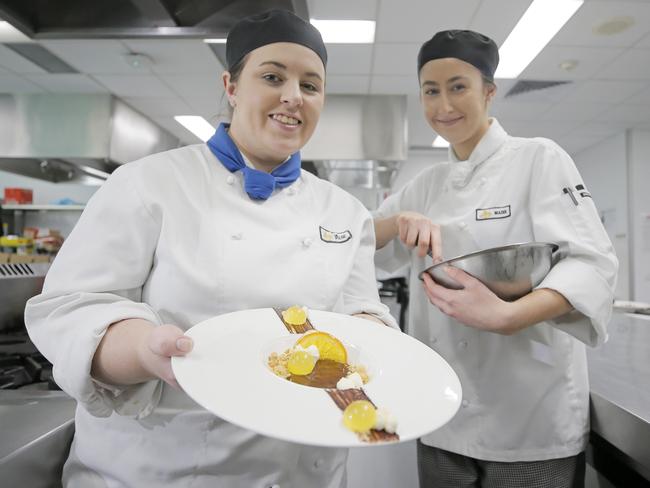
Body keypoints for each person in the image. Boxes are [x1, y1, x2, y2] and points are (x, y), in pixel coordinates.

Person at [25, 9, 396, 488]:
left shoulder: (345, 211)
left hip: (303, 469)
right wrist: (142, 348)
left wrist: (371, 335)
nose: (292, 97)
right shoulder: (149, 183)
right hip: (159, 468)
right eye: (272, 76)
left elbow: (362, 312)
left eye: (310, 85)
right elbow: (72, 310)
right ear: (232, 86)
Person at [373, 30, 618, 488]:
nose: (443, 104)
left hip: (528, 421)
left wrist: (509, 316)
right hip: (441, 416)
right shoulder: (427, 184)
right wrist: (399, 218)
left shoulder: (538, 159)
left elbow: (592, 263)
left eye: (458, 86)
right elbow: (361, 240)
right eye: (431, 91)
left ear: (489, 91)